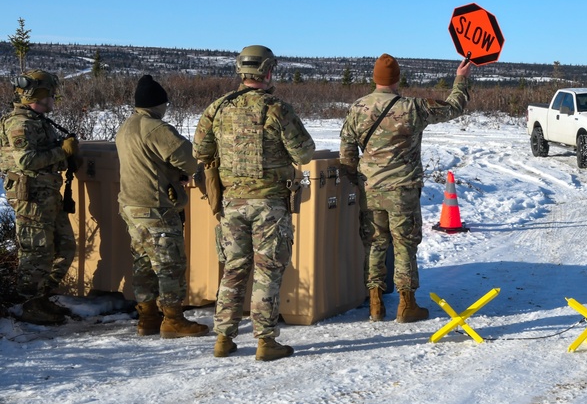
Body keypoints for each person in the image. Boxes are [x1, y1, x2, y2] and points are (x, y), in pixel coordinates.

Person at [193, 45, 315, 361]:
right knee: (267, 272)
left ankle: (223, 337)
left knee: (233, 269)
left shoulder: (217, 108)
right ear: (269, 71)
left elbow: (200, 151)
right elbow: (304, 154)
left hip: (231, 205)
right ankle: (265, 341)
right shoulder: (278, 109)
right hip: (269, 207)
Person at [339, 54, 471, 323]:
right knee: (405, 246)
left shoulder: (357, 108)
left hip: (371, 189)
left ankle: (375, 304)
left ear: (375, 78)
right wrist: (461, 78)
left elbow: (347, 151)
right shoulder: (413, 107)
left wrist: (357, 178)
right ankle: (407, 304)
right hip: (403, 191)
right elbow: (454, 107)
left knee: (375, 244)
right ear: (397, 79)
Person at [116, 75, 207, 338]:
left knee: (143, 262)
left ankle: (147, 318)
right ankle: (173, 320)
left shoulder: (127, 126)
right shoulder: (156, 128)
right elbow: (190, 160)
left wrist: (169, 173)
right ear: (159, 104)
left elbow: (148, 163)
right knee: (170, 264)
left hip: (131, 205)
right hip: (156, 207)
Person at [0, 70, 78, 325]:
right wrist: (61, 151)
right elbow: (26, 160)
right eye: (51, 95)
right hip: (31, 198)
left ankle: (41, 297)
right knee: (36, 252)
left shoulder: (37, 120)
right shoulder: (21, 123)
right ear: (40, 96)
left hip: (46, 195)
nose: (54, 100)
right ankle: (28, 304)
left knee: (64, 247)